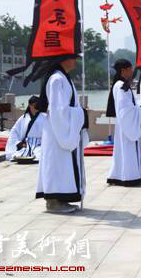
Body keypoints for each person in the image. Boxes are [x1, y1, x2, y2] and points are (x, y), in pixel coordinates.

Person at [35, 57, 89, 213]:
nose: (75, 62)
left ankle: (62, 198)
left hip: (61, 128)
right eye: (73, 58)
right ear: (64, 60)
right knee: (56, 164)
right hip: (57, 129)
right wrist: (79, 114)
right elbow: (58, 110)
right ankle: (53, 200)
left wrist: (78, 113)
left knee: (62, 165)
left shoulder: (64, 78)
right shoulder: (57, 79)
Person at [106, 59, 141, 186]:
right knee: (126, 150)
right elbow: (125, 110)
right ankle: (128, 176)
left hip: (124, 124)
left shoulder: (121, 85)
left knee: (123, 151)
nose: (132, 72)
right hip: (127, 124)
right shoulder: (121, 86)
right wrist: (140, 111)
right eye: (130, 69)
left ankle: (122, 175)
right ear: (123, 70)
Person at [5, 95, 46, 162]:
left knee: (39, 153)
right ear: (30, 105)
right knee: (22, 151)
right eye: (35, 105)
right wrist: (19, 143)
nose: (37, 107)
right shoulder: (23, 118)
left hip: (39, 143)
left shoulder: (44, 117)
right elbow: (15, 131)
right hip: (26, 143)